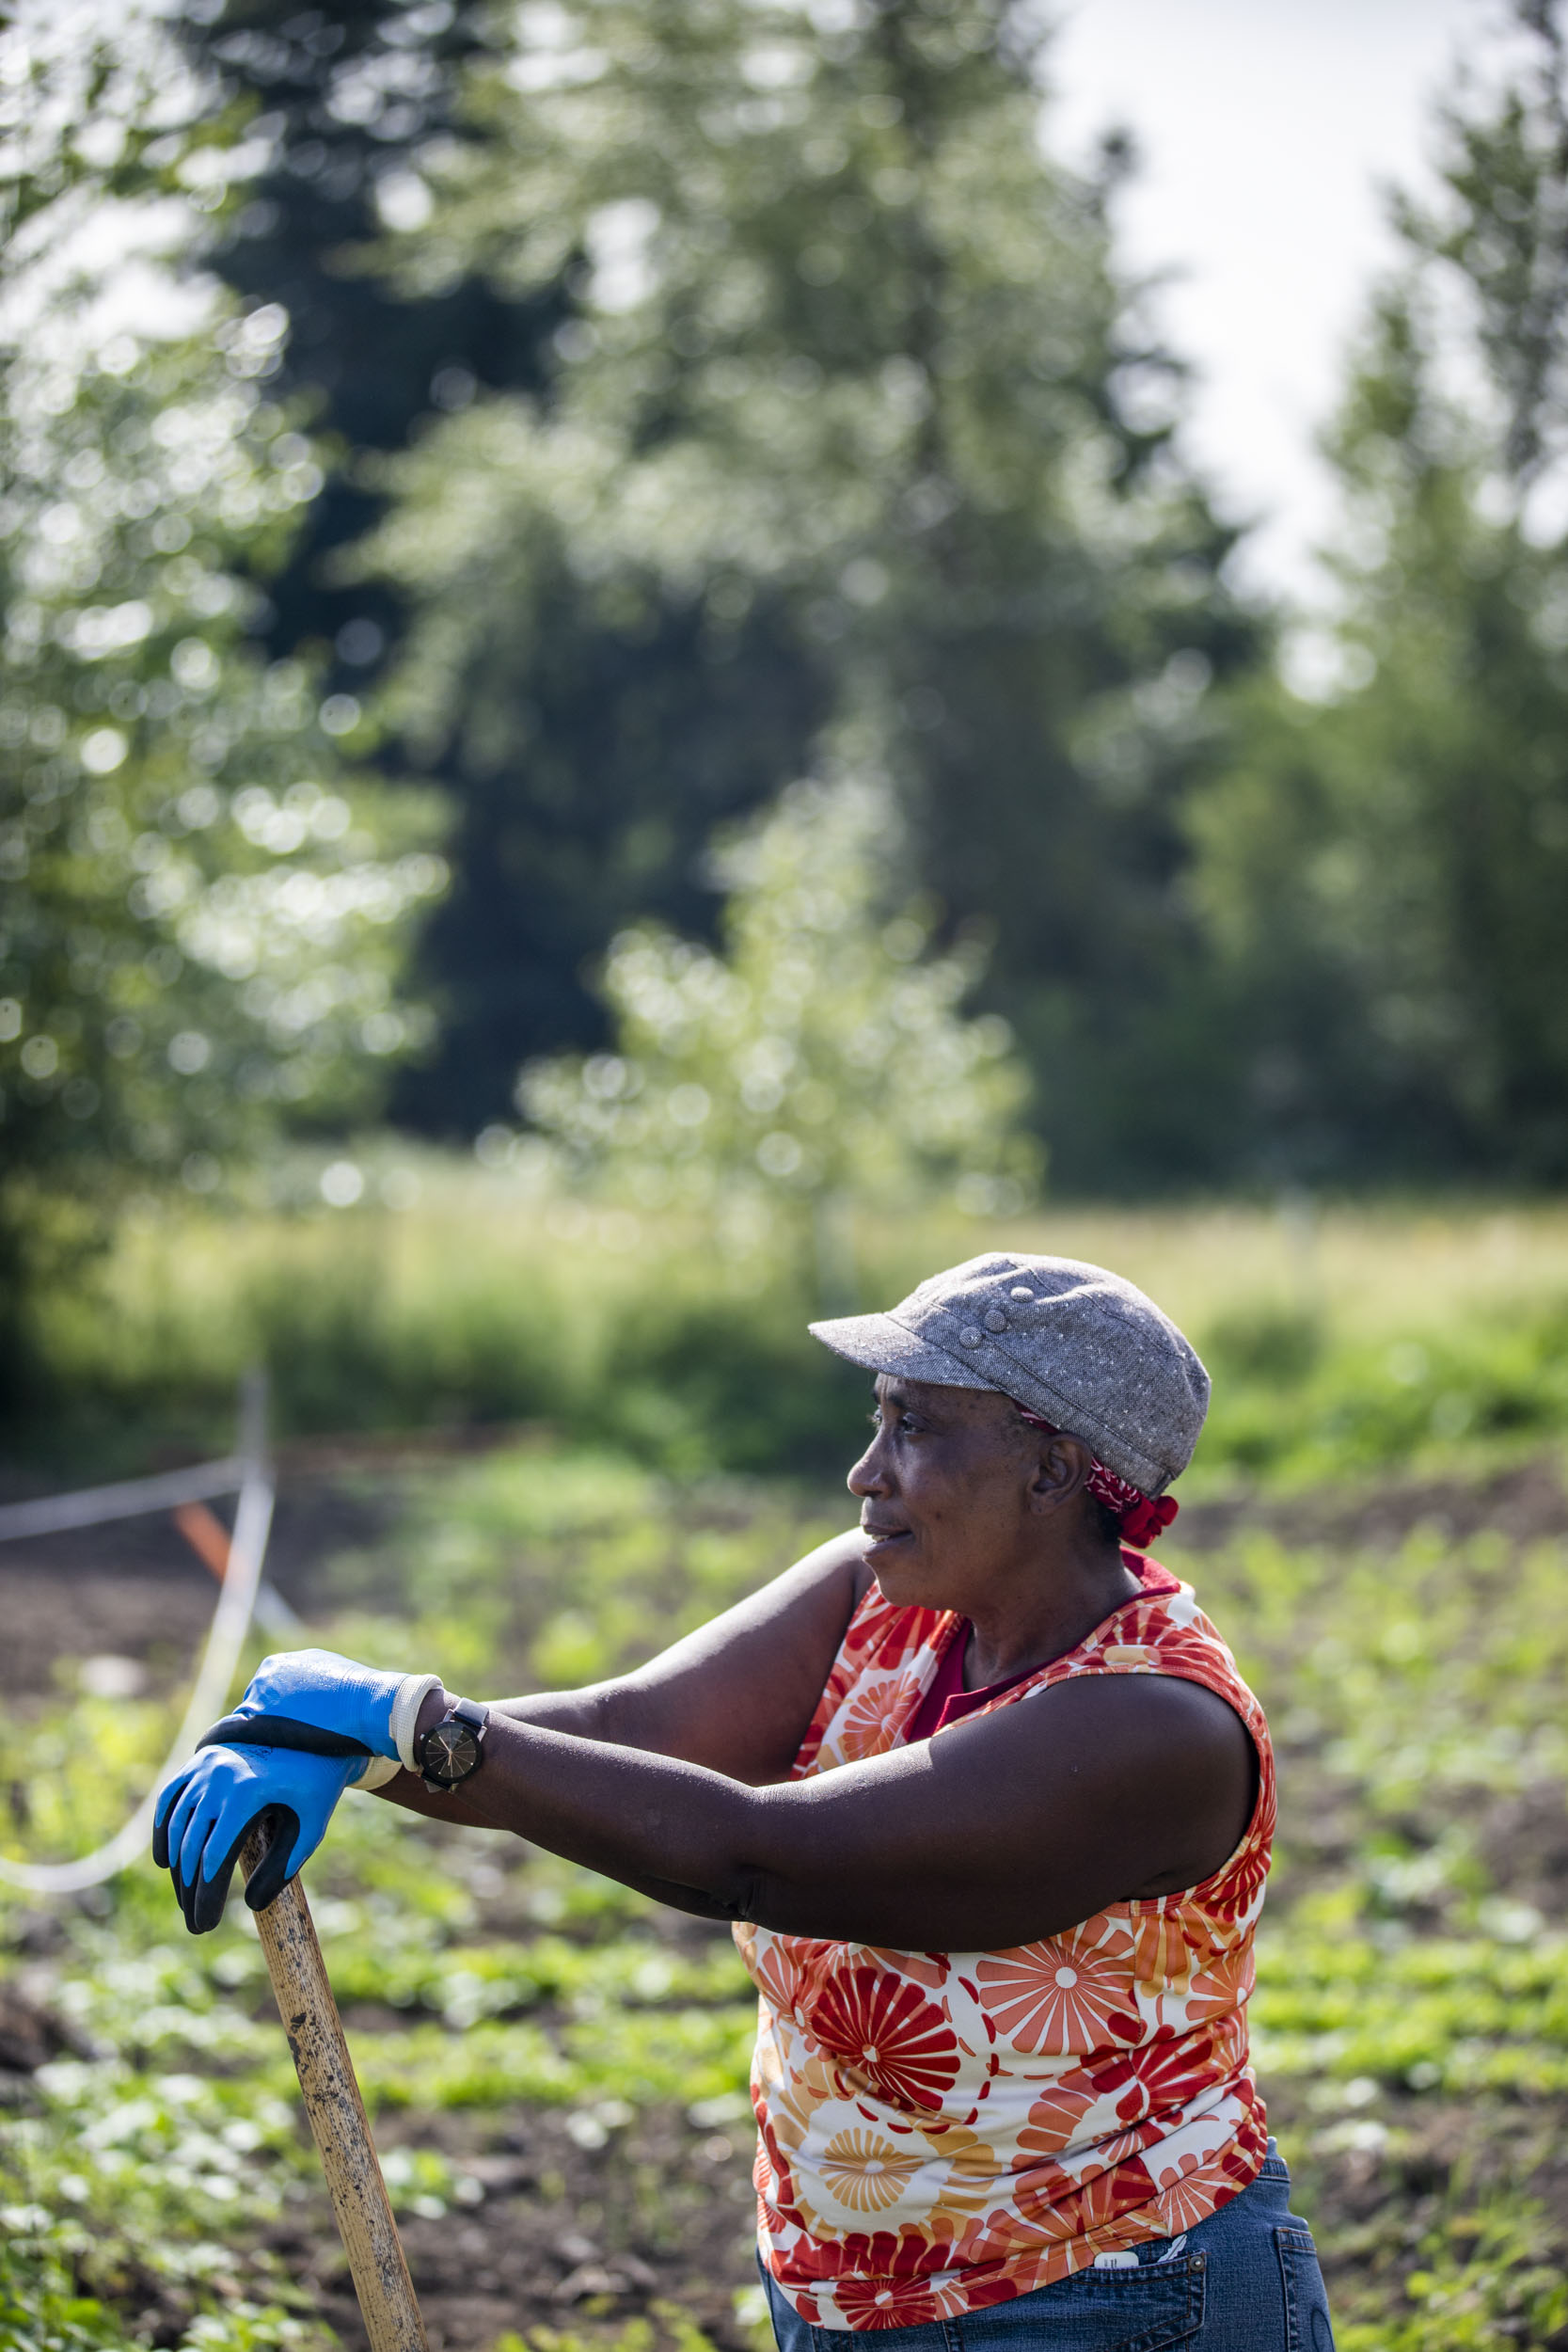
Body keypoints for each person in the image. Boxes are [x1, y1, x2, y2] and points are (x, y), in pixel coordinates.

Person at [155, 1253, 1336, 2348]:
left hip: (1113, 2293)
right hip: (837, 2282)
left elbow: (762, 1854)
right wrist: (356, 1757)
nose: (865, 1471)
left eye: (914, 1426)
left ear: (1053, 1467)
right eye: (877, 1416)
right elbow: (626, 1732)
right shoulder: (878, 1595)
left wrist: (418, 1723)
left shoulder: (1148, 1725)